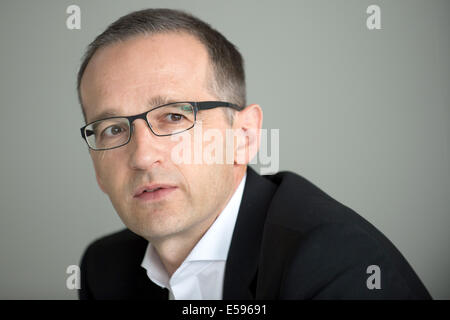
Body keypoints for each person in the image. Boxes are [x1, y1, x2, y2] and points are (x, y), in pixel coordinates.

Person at [77, 8, 431, 300]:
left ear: (243, 137)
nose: (141, 156)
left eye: (174, 117)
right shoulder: (104, 269)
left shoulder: (339, 264)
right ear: (97, 169)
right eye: (113, 129)